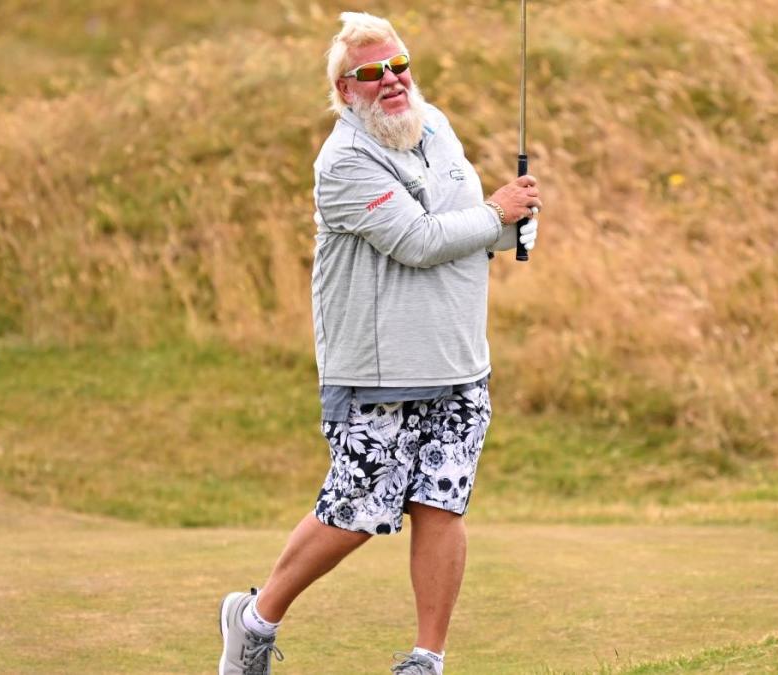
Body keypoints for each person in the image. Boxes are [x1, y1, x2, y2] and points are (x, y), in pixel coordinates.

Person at [218, 12, 542, 675]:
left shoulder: (438, 127)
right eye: (371, 73)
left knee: (441, 506)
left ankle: (427, 659)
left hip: (459, 364)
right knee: (355, 511)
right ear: (345, 90)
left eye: (399, 66)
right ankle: (254, 618)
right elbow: (418, 240)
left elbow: (467, 223)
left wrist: (511, 232)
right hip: (378, 371)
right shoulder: (341, 162)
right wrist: (497, 215)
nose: (391, 81)